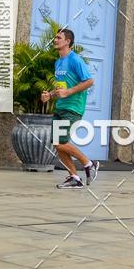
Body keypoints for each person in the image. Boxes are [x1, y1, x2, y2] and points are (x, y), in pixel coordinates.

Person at [41, 28, 98, 189]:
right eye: (55, 38)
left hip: (73, 108)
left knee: (60, 143)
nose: (55, 40)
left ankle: (88, 163)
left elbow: (89, 81)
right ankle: (74, 177)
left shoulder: (75, 60)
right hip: (61, 107)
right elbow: (62, 88)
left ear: (68, 41)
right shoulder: (58, 62)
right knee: (58, 144)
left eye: (58, 38)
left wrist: (69, 92)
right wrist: (50, 95)